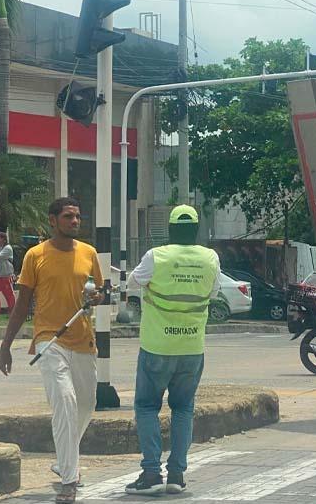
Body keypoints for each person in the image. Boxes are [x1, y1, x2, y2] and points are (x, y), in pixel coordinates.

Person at [0, 197, 104, 504]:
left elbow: (102, 290)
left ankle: (63, 460)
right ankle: (70, 479)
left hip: (83, 339)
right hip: (49, 340)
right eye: (68, 216)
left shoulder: (89, 253)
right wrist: (6, 346)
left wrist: (98, 297)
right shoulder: (35, 255)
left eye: (78, 216)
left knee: (87, 405)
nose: (75, 221)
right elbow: (21, 305)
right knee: (65, 403)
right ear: (53, 220)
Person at [123, 205, 220, 496]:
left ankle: (152, 473)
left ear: (170, 229)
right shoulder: (210, 258)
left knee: (147, 407)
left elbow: (132, 283)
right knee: (183, 409)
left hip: (157, 346)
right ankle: (177, 475)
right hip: (192, 346)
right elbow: (213, 292)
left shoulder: (157, 256)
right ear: (196, 229)